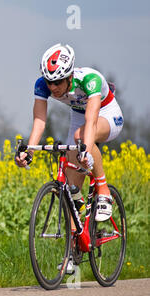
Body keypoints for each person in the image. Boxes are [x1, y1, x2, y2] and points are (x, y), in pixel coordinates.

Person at [15, 43, 124, 223]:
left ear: (70, 77)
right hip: (78, 116)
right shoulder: (42, 85)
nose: (53, 87)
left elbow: (91, 120)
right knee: (68, 190)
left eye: (57, 82)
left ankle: (103, 189)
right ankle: (75, 244)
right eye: (49, 82)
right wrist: (29, 151)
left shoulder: (89, 80)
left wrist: (86, 151)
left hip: (106, 114)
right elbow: (40, 121)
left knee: (81, 140)